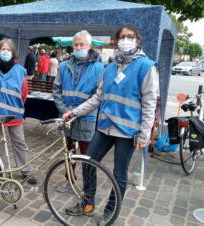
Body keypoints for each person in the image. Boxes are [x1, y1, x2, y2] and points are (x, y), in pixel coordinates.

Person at [63, 25, 159, 225]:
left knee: (119, 174)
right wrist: (76, 112)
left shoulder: (146, 66)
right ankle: (87, 203)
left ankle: (110, 210)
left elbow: (150, 103)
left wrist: (144, 134)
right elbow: (99, 97)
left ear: (137, 41)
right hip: (105, 126)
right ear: (116, 41)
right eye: (122, 37)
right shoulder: (110, 66)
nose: (126, 40)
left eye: (130, 37)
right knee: (89, 163)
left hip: (127, 131)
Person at [53, 30, 104, 192]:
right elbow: (57, 89)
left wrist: (78, 111)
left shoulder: (99, 68)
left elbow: (98, 95)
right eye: (76, 44)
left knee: (87, 156)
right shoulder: (64, 65)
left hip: (87, 118)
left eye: (82, 44)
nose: (79, 47)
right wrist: (63, 109)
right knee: (68, 152)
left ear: (89, 46)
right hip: (66, 117)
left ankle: (88, 187)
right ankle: (70, 179)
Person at [0, 39, 37, 185]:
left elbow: (24, 93)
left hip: (14, 115)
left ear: (13, 53)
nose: (5, 52)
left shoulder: (20, 71)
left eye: (8, 50)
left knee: (20, 143)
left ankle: (26, 170)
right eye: (3, 49)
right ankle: (3, 171)